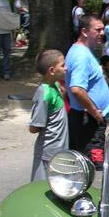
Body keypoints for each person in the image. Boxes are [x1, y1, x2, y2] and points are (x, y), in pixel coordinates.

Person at [65, 14, 109, 171]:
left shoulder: (84, 51)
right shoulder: (81, 55)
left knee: (85, 164)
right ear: (84, 31)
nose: (102, 33)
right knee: (92, 167)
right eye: (97, 30)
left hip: (88, 118)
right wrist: (95, 112)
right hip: (88, 120)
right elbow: (77, 89)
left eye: (103, 29)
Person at [29, 49, 68, 181]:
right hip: (47, 153)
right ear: (51, 70)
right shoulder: (44, 92)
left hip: (58, 151)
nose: (66, 68)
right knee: (41, 190)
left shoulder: (55, 85)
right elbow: (34, 127)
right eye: (62, 66)